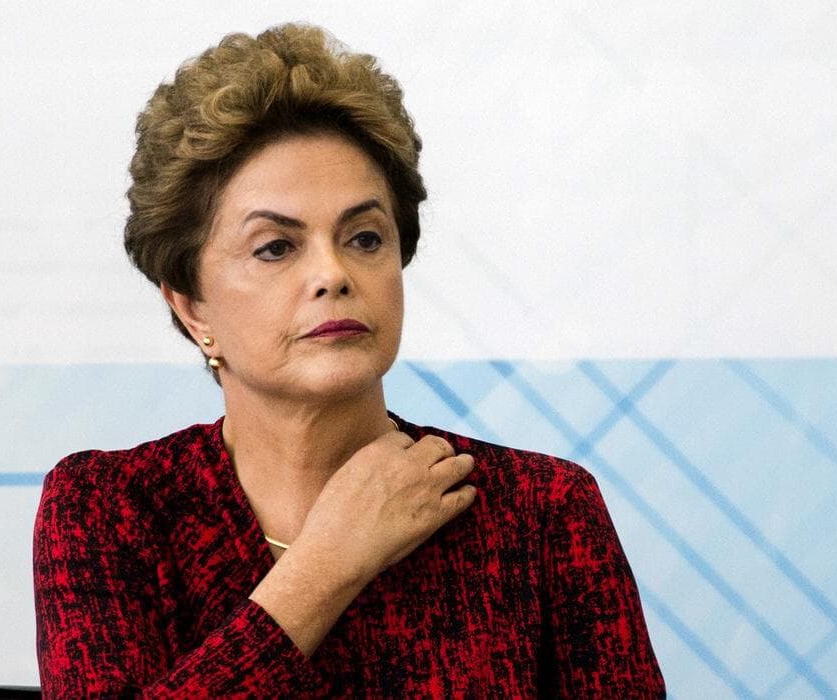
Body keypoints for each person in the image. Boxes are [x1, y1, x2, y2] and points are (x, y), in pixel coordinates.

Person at [33, 23, 665, 698]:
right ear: (193, 309)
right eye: (276, 247)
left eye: (364, 238)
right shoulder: (108, 508)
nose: (333, 274)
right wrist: (328, 563)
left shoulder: (543, 513)